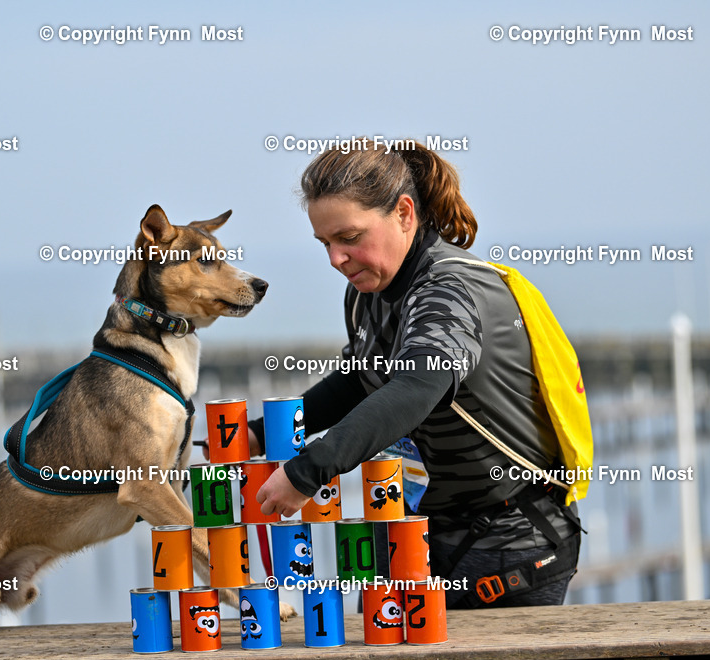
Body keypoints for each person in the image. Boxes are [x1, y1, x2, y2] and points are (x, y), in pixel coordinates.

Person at [249, 139, 582, 609]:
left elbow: (416, 387)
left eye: (349, 237)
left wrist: (308, 471)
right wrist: (260, 434)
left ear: (405, 213)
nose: (335, 259)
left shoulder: (449, 289)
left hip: (506, 549)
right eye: (325, 243)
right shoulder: (369, 291)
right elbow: (357, 381)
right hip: (421, 536)